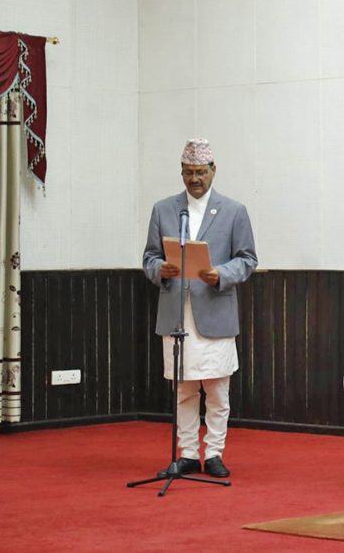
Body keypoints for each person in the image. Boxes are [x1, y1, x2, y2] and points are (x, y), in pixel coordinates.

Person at [142, 138, 258, 479]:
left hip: (215, 310)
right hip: (177, 312)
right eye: (189, 173)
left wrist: (219, 273)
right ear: (181, 172)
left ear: (213, 171)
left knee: (217, 389)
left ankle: (216, 453)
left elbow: (248, 259)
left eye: (201, 172)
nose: (195, 179)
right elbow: (149, 257)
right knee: (184, 388)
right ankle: (189, 454)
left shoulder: (234, 210)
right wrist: (158, 270)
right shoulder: (164, 209)